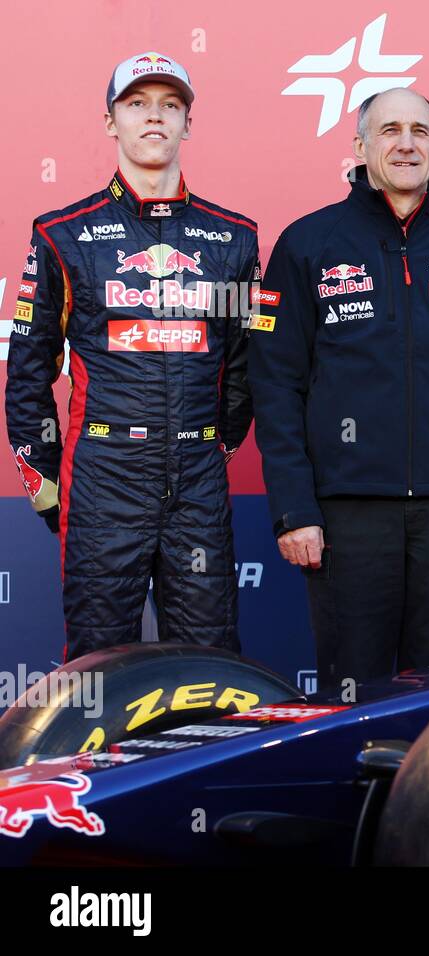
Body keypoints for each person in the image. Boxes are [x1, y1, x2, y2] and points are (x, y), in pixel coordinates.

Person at [250, 88, 429, 689]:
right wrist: (294, 510)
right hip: (345, 513)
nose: (405, 143)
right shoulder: (307, 243)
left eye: (419, 131)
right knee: (350, 695)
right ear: (359, 146)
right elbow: (276, 384)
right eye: (388, 130)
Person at [4, 51, 257, 659]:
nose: (154, 117)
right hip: (103, 475)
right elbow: (28, 367)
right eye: (137, 104)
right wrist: (42, 472)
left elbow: (245, 361)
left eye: (170, 106)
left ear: (187, 125)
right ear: (111, 122)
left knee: (209, 657)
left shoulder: (232, 237)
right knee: (99, 662)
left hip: (196, 478)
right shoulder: (64, 232)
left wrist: (213, 443)